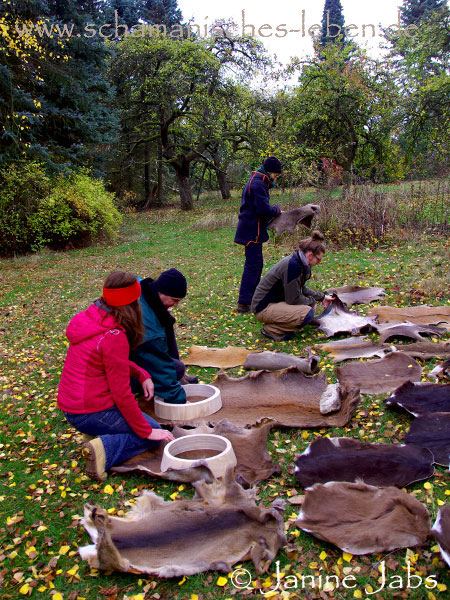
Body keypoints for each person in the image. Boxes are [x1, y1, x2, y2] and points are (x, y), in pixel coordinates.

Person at [57, 271, 174, 482]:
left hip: (73, 408)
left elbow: (110, 361)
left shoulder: (93, 317)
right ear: (133, 304)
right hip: (90, 411)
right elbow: (121, 393)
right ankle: (104, 450)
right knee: (155, 432)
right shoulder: (114, 336)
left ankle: (97, 434)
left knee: (144, 426)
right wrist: (146, 431)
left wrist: (141, 373)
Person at [251, 231, 333, 341]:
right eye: (319, 260)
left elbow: (301, 288)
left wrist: (322, 297)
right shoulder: (293, 266)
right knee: (307, 313)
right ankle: (272, 329)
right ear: (310, 255)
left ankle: (276, 324)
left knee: (306, 309)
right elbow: (293, 299)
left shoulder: (298, 261)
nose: (319, 262)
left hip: (271, 304)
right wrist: (311, 302)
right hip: (262, 308)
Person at [130, 268, 195, 405]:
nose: (176, 305)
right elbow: (160, 369)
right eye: (174, 300)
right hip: (115, 371)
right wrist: (180, 402)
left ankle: (178, 376)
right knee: (174, 369)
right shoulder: (150, 330)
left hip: (128, 352)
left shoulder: (144, 288)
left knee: (166, 320)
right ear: (161, 292)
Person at [234, 157, 282, 313]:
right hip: (252, 231)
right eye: (276, 175)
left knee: (256, 265)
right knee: (253, 266)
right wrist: (276, 210)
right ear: (270, 172)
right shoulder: (258, 183)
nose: (276, 178)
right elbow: (263, 209)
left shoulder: (258, 181)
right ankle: (244, 302)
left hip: (252, 230)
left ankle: (253, 298)